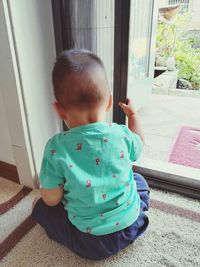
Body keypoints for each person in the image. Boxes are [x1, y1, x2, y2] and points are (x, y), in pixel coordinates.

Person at [31, 49, 150, 260]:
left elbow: (51, 199)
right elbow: (139, 142)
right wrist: (133, 115)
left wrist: (57, 189)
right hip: (133, 223)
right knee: (139, 181)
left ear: (58, 110)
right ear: (110, 101)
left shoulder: (56, 148)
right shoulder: (120, 134)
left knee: (41, 207)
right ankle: (133, 208)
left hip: (92, 243)